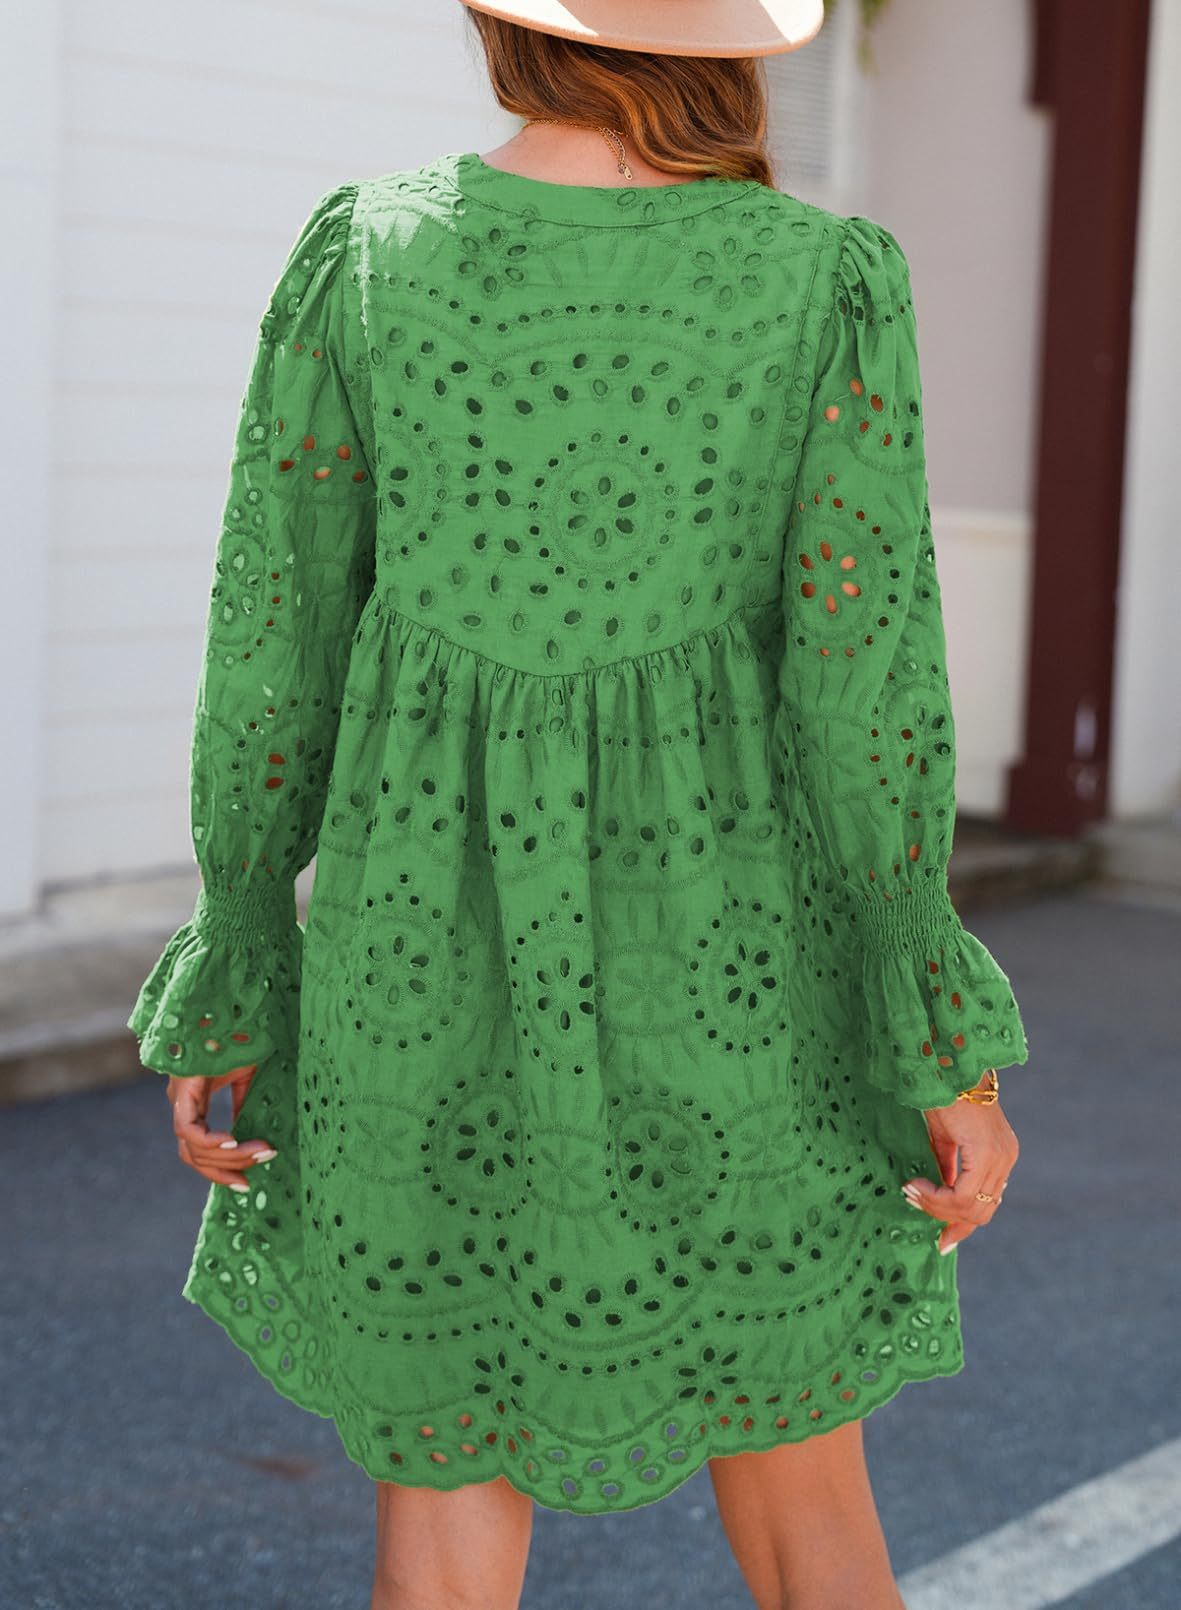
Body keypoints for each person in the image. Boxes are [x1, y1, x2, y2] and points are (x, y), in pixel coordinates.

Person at [127, 2, 1029, 1605]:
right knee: (806, 1500)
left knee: (442, 1506)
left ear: (503, 26)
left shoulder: (367, 252)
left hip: (420, 963)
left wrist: (240, 949)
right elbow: (862, 693)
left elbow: (274, 643)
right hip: (735, 965)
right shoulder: (820, 278)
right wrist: (931, 1029)